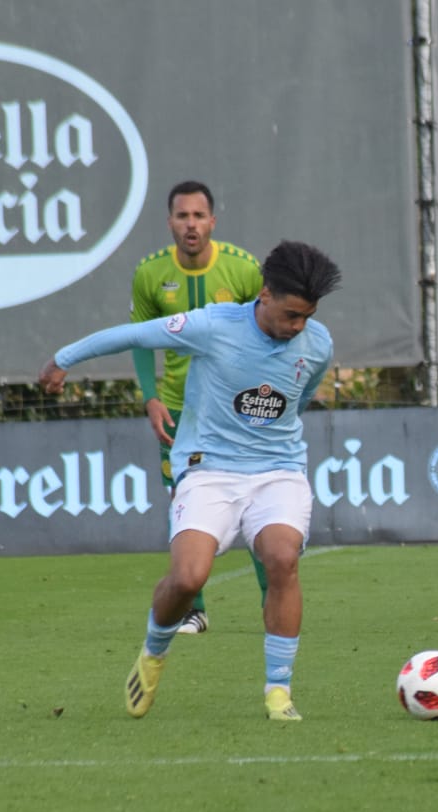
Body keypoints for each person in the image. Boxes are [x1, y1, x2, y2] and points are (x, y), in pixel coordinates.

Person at [39, 241, 342, 722]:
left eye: (306, 316)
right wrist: (63, 359)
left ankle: (278, 692)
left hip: (278, 470)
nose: (298, 327)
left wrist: (277, 443)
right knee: (188, 578)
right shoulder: (211, 326)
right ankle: (153, 653)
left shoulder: (317, 342)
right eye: (291, 315)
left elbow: (297, 399)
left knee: (282, 558)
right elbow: (134, 335)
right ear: (265, 294)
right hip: (209, 470)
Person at [130, 180, 268, 634]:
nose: (191, 225)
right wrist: (150, 397)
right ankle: (195, 609)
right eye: (182, 216)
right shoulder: (150, 274)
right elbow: (139, 340)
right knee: (182, 502)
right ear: (170, 222)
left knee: (253, 504)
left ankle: (273, 600)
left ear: (213, 221)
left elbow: (267, 333)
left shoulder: (243, 269)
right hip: (178, 410)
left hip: (233, 408)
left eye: (198, 216)